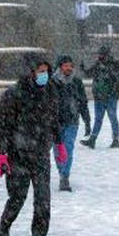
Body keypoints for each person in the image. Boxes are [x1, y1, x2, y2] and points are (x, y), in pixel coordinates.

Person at [0, 56, 65, 236]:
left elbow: (53, 119)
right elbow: (3, 126)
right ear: (30, 72)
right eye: (39, 71)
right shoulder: (13, 95)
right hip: (19, 155)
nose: (43, 75)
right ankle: (4, 226)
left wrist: (58, 142)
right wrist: (1, 153)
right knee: (17, 198)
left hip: (41, 154)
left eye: (46, 71)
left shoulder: (50, 92)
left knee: (43, 201)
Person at [52, 55, 90, 191]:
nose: (68, 68)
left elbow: (83, 101)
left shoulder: (76, 82)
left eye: (70, 65)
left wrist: (87, 119)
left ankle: (64, 176)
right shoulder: (52, 82)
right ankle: (61, 171)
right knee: (57, 150)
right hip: (55, 122)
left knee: (67, 148)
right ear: (60, 67)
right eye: (65, 65)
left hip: (71, 120)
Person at [80, 44, 119, 149]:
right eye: (100, 54)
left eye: (102, 55)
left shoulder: (115, 64)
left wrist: (111, 74)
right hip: (99, 96)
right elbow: (89, 73)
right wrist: (83, 69)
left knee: (112, 117)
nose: (100, 57)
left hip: (110, 96)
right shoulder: (98, 64)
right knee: (98, 118)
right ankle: (93, 139)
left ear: (107, 55)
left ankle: (115, 139)